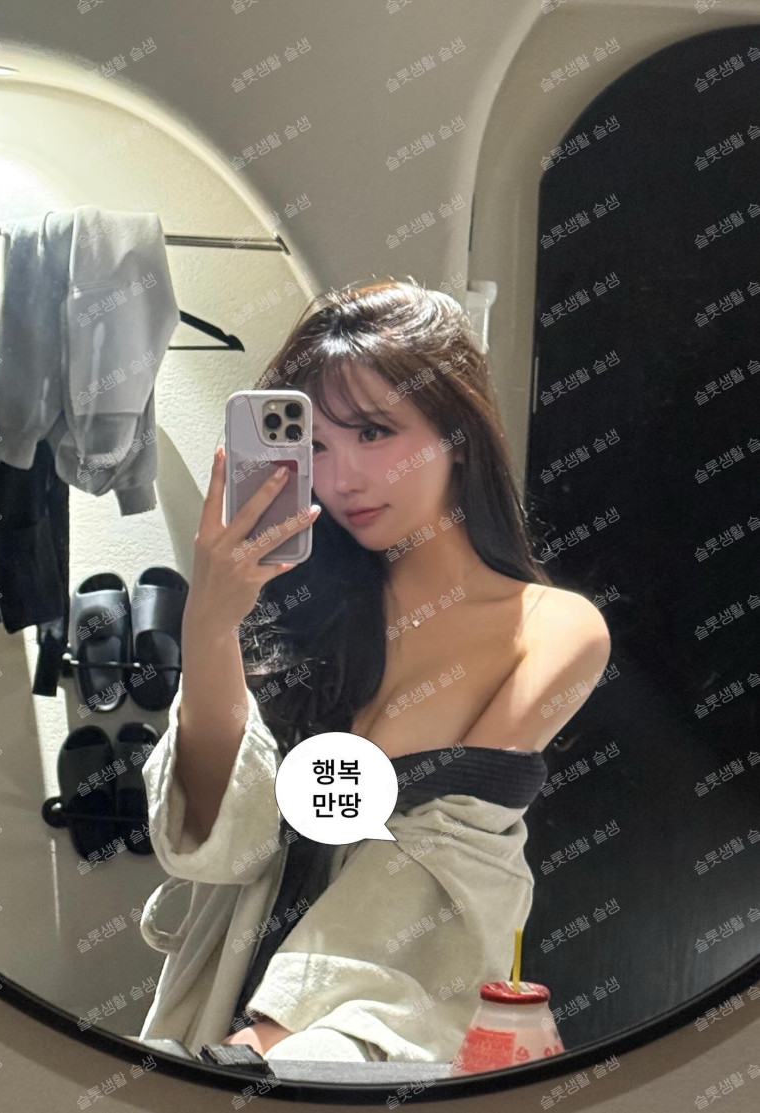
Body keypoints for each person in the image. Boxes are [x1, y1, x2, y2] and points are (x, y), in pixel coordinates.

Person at [138, 277, 612, 1063]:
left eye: (372, 431)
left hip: (371, 1033)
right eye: (316, 446)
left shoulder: (549, 628)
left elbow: (437, 857)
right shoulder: (287, 611)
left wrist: (272, 1038)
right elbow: (217, 846)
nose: (343, 478)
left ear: (456, 431)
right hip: (218, 1015)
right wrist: (210, 625)